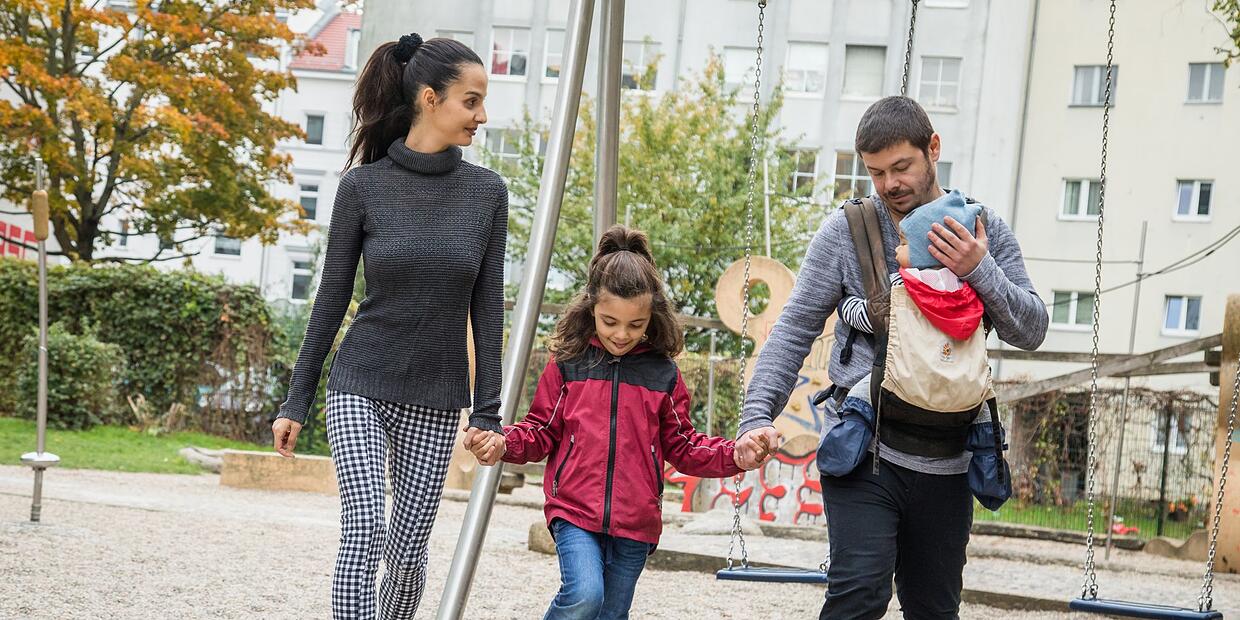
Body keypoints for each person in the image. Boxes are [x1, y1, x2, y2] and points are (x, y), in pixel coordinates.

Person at [736, 96, 1048, 619]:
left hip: (949, 457)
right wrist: (755, 417)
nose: (889, 184)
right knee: (859, 596)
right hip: (863, 448)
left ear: (933, 149)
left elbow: (1031, 329)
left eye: (901, 167)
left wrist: (979, 269)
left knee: (933, 609)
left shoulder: (981, 228)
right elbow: (794, 329)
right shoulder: (847, 231)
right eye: (876, 172)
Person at [271, 33, 508, 619]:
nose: (482, 115)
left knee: (406, 554)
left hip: (437, 394)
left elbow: (487, 308)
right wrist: (296, 401)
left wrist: (487, 412)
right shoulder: (362, 187)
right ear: (430, 98)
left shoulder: (487, 194)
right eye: (471, 101)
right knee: (364, 529)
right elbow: (331, 299)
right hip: (360, 384)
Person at [473, 225, 749, 620]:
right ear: (591, 309)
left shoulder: (663, 375)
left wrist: (735, 454)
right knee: (585, 595)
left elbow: (684, 446)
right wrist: (503, 441)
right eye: (609, 321)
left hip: (636, 522)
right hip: (574, 512)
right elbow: (540, 430)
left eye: (635, 325)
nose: (621, 334)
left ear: (652, 317)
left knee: (611, 614)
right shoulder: (569, 365)